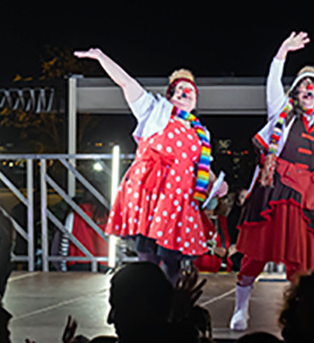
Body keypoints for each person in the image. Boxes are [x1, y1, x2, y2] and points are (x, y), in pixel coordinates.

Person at [74, 48, 225, 284]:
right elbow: (126, 82)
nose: (186, 94)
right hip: (151, 191)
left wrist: (217, 183)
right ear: (170, 95)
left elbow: (200, 165)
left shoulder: (201, 132)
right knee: (148, 254)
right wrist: (101, 57)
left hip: (179, 198)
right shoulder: (154, 111)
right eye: (180, 90)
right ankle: (149, 298)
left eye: (191, 91)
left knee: (172, 256)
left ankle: (169, 300)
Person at [230, 32, 314, 331]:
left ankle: (300, 319)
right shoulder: (281, 114)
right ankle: (240, 309)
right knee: (255, 257)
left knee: (301, 267)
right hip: (276, 193)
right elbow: (272, 83)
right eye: (304, 85)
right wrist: (282, 51)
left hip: (306, 200)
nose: (310, 89)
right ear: (294, 92)